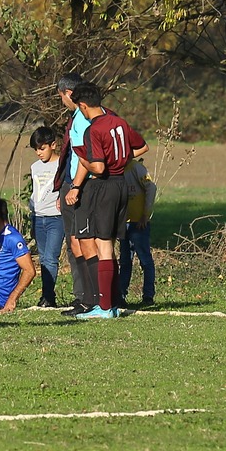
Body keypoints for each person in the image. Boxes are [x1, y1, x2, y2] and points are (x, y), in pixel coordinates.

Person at [73, 81, 146, 320]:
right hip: (121, 185)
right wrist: (122, 158)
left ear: (83, 106)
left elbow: (99, 167)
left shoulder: (93, 130)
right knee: (110, 245)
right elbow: (142, 147)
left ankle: (104, 308)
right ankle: (111, 304)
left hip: (104, 187)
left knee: (102, 245)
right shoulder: (120, 122)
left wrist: (82, 160)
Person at [56, 74, 97, 314]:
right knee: (84, 242)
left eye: (61, 97)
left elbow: (83, 155)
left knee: (81, 242)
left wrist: (75, 186)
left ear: (68, 93)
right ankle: (91, 296)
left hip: (81, 184)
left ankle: (88, 298)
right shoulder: (89, 115)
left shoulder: (82, 118)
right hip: (75, 183)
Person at [26, 125, 64, 308]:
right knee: (43, 258)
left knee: (50, 257)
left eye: (42, 148)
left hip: (56, 218)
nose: (38, 153)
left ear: (53, 145)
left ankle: (48, 297)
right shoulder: (35, 167)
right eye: (36, 149)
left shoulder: (61, 165)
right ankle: (47, 296)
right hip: (38, 217)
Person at [115, 158, 158, 309]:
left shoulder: (136, 168)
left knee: (145, 260)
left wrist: (145, 215)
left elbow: (151, 188)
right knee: (125, 261)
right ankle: (121, 295)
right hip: (123, 223)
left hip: (139, 222)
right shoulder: (117, 168)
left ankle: (148, 296)